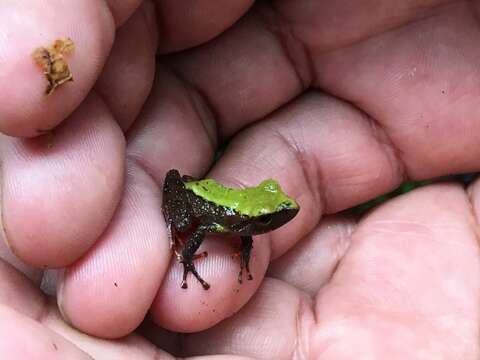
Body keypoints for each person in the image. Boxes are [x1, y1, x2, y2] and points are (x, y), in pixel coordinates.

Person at [0, 1, 479, 358]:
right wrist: (186, 250)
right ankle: (174, 233)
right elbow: (208, 227)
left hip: (226, 207)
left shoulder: (248, 227)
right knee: (181, 224)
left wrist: (244, 247)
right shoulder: (229, 222)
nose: (282, 215)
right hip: (195, 197)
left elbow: (246, 229)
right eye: (272, 216)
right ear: (256, 220)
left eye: (273, 215)